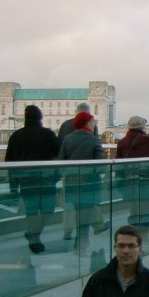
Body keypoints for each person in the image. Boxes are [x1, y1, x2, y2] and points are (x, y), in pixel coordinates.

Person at [5, 105, 60, 253]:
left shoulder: (16, 136)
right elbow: (59, 156)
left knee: (31, 210)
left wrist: (13, 186)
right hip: (46, 179)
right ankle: (34, 233)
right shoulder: (48, 134)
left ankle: (34, 238)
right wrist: (56, 177)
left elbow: (9, 162)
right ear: (40, 117)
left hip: (25, 179)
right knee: (49, 208)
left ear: (25, 117)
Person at [57, 111, 109, 251]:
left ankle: (81, 241)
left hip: (71, 182)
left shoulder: (67, 139)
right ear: (87, 123)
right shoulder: (94, 140)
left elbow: (61, 161)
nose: (94, 125)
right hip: (89, 183)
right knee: (85, 212)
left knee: (78, 210)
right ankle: (82, 241)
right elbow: (101, 167)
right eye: (93, 122)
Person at [57, 101, 98, 240]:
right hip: (87, 176)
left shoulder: (65, 126)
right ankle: (85, 234)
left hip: (69, 175)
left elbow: (60, 152)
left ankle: (67, 230)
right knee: (86, 205)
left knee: (69, 206)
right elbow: (96, 151)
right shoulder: (92, 130)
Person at [115, 116, 149, 231]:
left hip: (130, 181)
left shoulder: (122, 142)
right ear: (142, 126)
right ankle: (144, 231)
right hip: (146, 181)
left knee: (134, 207)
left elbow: (118, 164)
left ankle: (134, 229)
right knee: (148, 205)